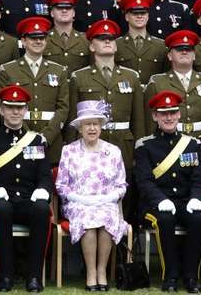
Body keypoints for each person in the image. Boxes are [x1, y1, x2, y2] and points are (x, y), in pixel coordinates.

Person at [0, 85, 53, 293]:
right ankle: (5, 276)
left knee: (42, 210)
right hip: (2, 200)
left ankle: (34, 276)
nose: (15, 112)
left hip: (28, 200)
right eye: (10, 107)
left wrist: (43, 190)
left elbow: (44, 175)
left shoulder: (36, 140)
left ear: (26, 110)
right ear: (1, 110)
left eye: (20, 107)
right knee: (2, 209)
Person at [135, 91, 201, 293]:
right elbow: (144, 181)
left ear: (179, 114)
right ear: (154, 116)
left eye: (173, 112)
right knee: (165, 220)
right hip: (155, 203)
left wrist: (196, 198)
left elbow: (199, 177)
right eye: (163, 113)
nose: (168, 117)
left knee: (199, 219)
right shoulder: (145, 145)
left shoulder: (193, 144)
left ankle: (191, 277)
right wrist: (160, 199)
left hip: (185, 201)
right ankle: (170, 276)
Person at [56, 100, 129, 290]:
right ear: (80, 128)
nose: (92, 128)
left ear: (101, 127)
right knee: (88, 218)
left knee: (106, 217)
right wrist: (80, 199)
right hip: (77, 203)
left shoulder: (113, 151)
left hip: (106, 202)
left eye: (96, 124)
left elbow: (121, 185)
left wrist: (108, 198)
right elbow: (61, 185)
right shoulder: (69, 151)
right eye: (87, 124)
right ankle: (90, 272)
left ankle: (101, 271)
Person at [68, 20, 144, 170]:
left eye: (111, 39)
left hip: (123, 144)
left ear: (116, 46)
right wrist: (72, 149)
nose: (107, 41)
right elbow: (72, 119)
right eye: (101, 38)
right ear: (91, 46)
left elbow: (138, 120)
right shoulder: (79, 77)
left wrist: (140, 150)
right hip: (89, 144)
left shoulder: (131, 77)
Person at [0, 16, 69, 164]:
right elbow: (3, 106)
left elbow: (63, 108)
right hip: (17, 139)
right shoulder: (8, 70)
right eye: (33, 38)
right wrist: (28, 137)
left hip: (50, 141)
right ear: (23, 41)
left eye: (42, 38)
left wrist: (45, 137)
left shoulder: (59, 71)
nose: (38, 41)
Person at [145, 30, 201, 138]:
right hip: (169, 139)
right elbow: (150, 122)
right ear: (170, 56)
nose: (184, 52)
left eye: (188, 49)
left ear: (194, 55)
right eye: (179, 49)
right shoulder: (157, 82)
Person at [114, 0, 167, 84]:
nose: (139, 16)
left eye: (143, 13)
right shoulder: (116, 45)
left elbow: (165, 75)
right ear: (126, 17)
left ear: (148, 16)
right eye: (135, 13)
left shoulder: (161, 45)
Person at [43, 0, 90, 74]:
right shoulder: (43, 39)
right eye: (59, 8)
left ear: (74, 13)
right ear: (52, 13)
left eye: (68, 7)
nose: (64, 10)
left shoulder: (86, 40)